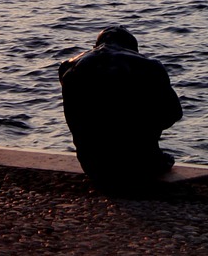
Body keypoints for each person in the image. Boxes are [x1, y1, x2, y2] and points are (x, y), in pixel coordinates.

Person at [58, 25, 183, 195]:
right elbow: (173, 113)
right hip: (138, 161)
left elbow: (74, 118)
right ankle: (144, 155)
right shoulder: (149, 65)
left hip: (93, 164)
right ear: (133, 47)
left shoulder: (69, 66)